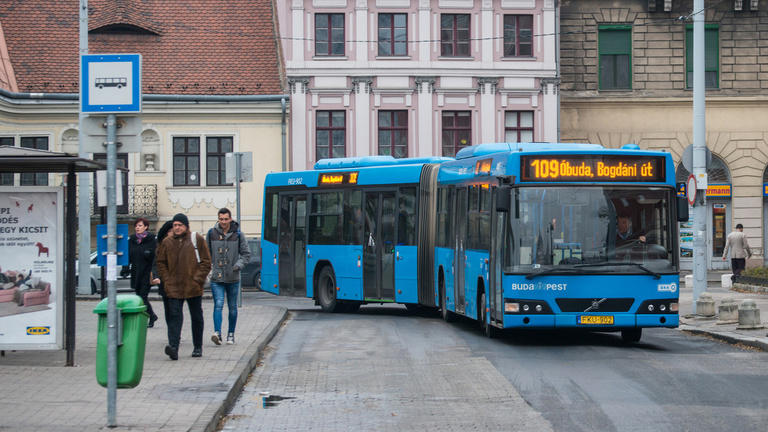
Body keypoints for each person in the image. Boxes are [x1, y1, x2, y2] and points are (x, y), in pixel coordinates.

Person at [156, 213, 211, 360]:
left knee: (196, 317)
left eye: (180, 225)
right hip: (173, 287)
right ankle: (173, 347)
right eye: (175, 225)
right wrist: (167, 280)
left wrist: (197, 279)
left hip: (192, 286)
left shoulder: (196, 239)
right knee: (174, 317)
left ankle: (197, 347)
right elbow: (160, 263)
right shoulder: (167, 242)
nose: (177, 227)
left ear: (186, 226)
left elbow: (206, 262)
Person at [206, 208, 250, 346]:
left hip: (233, 277)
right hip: (217, 277)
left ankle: (231, 334)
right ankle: (217, 333)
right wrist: (209, 268)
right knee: (218, 304)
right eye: (221, 219)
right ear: (218, 219)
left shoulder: (238, 234)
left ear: (230, 219)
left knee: (232, 307)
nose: (223, 222)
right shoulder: (211, 233)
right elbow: (206, 253)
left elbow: (246, 254)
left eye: (226, 219)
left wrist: (238, 265)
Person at [129, 217, 158, 327]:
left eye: (140, 225)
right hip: (136, 272)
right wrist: (125, 268)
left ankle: (150, 316)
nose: (137, 228)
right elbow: (128, 254)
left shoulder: (151, 239)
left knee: (142, 296)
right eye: (136, 226)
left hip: (147, 273)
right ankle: (151, 315)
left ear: (146, 227)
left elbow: (154, 257)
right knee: (139, 296)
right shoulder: (132, 240)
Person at [152, 219, 174, 328]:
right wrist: (156, 276)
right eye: (170, 230)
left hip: (178, 282)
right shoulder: (160, 246)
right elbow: (155, 264)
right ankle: (171, 331)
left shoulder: (181, 243)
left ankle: (175, 333)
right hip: (164, 282)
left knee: (176, 310)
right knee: (168, 308)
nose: (173, 232)